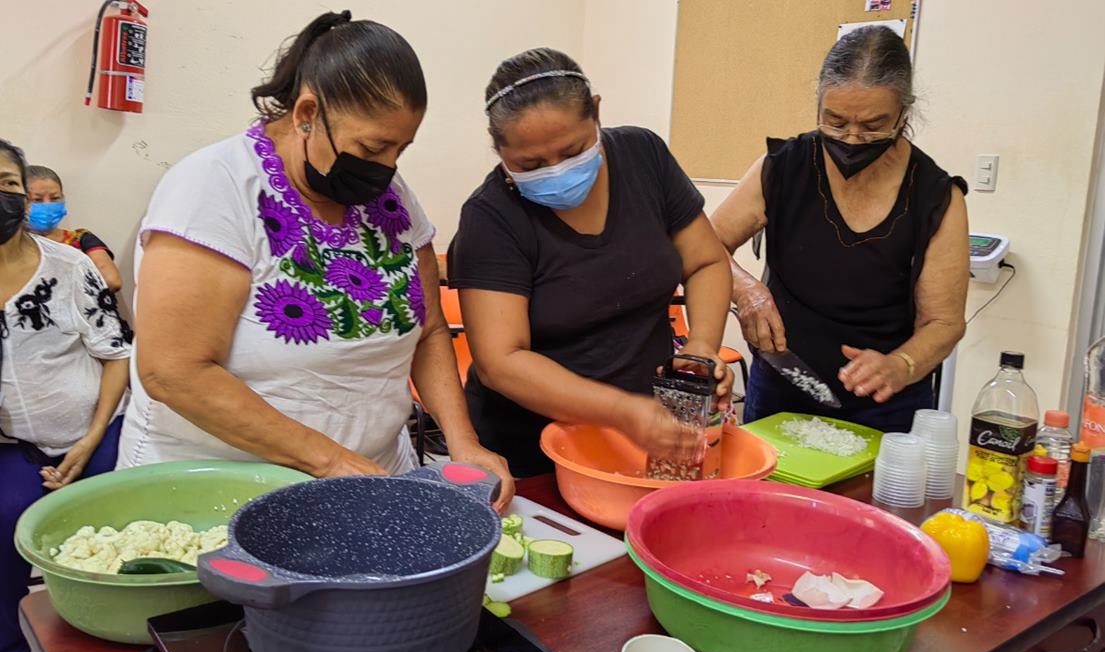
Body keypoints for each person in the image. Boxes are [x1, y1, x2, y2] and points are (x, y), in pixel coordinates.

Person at [117, 12, 514, 508]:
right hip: (220, 495)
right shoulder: (215, 188)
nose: (387, 167)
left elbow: (430, 329)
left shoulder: (392, 199)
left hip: (369, 480)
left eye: (400, 149)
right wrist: (330, 461)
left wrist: (462, 442)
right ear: (307, 112)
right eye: (373, 146)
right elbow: (174, 372)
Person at [449, 48, 734, 477]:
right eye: (530, 164)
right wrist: (621, 411)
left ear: (596, 112)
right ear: (498, 149)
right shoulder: (491, 217)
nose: (555, 172)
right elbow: (500, 362)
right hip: (532, 453)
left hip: (643, 437)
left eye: (572, 151)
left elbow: (705, 263)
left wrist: (702, 346)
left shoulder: (643, 157)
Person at [711, 27, 969, 433]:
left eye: (873, 125)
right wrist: (745, 290)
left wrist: (901, 365)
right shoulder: (784, 167)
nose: (852, 138)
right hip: (781, 386)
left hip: (885, 405)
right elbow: (706, 245)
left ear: (904, 112)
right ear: (819, 104)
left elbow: (945, 322)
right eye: (835, 121)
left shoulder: (935, 196)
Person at [0, 139, 131, 652]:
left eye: (8, 183)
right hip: (14, 448)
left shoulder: (71, 265)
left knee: (114, 538)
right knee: (4, 527)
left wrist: (92, 436)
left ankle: (116, 649)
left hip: (95, 431)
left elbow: (117, 355)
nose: (1, 195)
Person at [24, 166, 122, 292]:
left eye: (55, 198)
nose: (48, 205)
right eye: (37, 200)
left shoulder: (81, 239)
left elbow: (112, 281)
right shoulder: (11, 247)